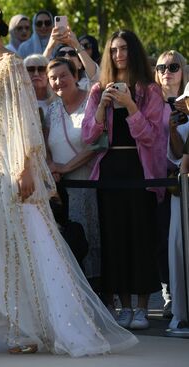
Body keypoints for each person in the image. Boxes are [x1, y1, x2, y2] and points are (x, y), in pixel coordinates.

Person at [0, 0, 138, 356]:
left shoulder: (11, 64)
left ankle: (24, 330)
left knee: (27, 244)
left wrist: (26, 166)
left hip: (13, 170)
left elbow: (27, 117)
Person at [82, 30, 166, 330]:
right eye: (114, 49)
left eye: (125, 49)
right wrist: (104, 105)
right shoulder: (97, 91)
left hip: (139, 170)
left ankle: (143, 307)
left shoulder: (150, 91)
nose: (119, 55)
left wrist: (130, 105)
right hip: (109, 171)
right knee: (114, 238)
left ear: (134, 51)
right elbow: (88, 136)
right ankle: (123, 306)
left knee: (140, 237)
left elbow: (153, 136)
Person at [44, 57, 99, 279]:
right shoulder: (52, 109)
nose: (58, 81)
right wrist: (52, 166)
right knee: (69, 240)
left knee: (93, 238)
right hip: (62, 189)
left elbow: (98, 144)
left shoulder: (91, 103)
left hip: (90, 183)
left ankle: (102, 294)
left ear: (75, 75)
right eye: (53, 78)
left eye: (63, 75)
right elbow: (45, 144)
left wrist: (65, 167)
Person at [158, 55, 189, 331]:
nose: (167, 72)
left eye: (173, 66)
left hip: (182, 184)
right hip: (172, 187)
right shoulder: (153, 101)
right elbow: (178, 153)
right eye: (162, 67)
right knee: (175, 247)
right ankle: (178, 306)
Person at [43, 24, 99, 91]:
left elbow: (95, 75)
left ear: (80, 64)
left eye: (72, 53)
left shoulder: (88, 85)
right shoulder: (51, 86)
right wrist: (50, 47)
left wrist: (76, 44)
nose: (67, 56)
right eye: (61, 54)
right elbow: (39, 71)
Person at [23, 53, 56, 120]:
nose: (36, 74)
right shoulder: (18, 103)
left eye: (41, 69)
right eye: (30, 69)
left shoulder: (59, 101)